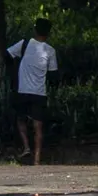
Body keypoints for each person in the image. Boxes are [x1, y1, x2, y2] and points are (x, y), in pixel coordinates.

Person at [8, 17, 59, 165]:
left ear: (35, 29)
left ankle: (26, 147)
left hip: (23, 89)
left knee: (20, 119)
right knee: (38, 125)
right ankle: (37, 159)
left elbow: (8, 55)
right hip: (39, 92)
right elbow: (53, 74)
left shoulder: (24, 44)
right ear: (48, 33)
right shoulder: (50, 51)